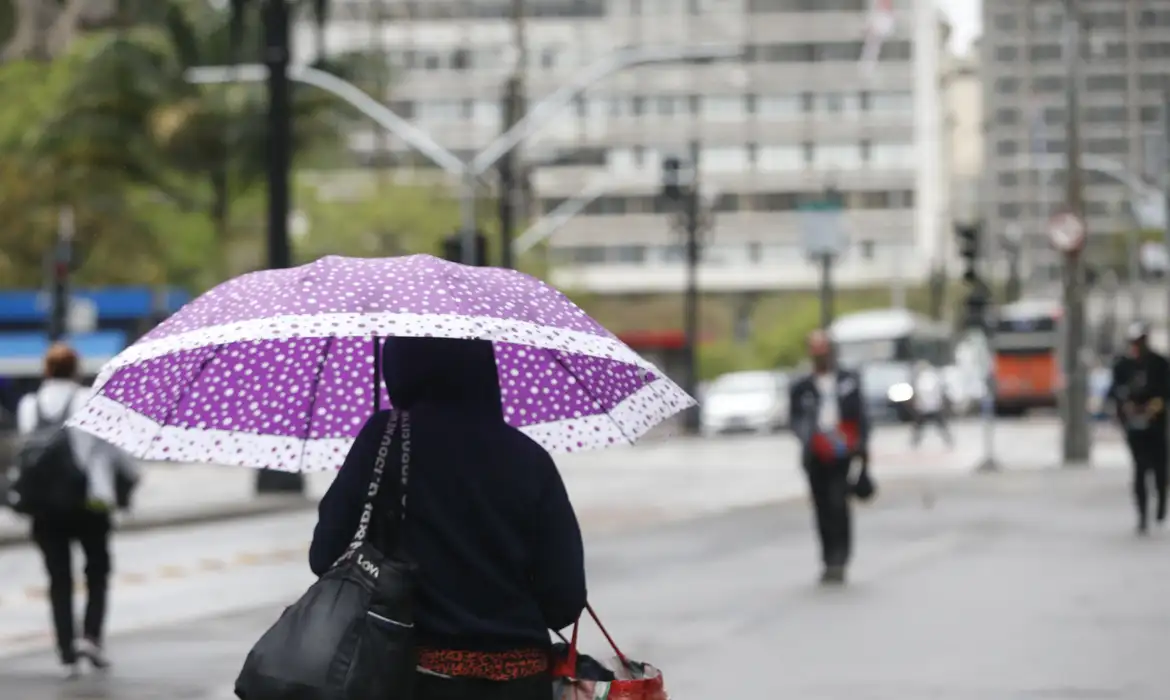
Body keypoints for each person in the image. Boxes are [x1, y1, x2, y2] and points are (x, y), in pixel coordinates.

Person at [309, 336, 587, 700]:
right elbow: (564, 600)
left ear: (400, 367)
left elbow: (325, 555)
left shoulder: (385, 438)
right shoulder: (530, 458)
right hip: (519, 683)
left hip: (410, 678)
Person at [16, 343, 134, 678]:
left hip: (44, 506)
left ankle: (66, 651)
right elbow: (112, 449)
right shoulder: (89, 401)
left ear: (46, 370)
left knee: (58, 578)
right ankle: (91, 638)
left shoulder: (29, 405)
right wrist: (131, 478)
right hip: (89, 502)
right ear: (76, 369)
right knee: (96, 572)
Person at [788, 330, 872, 585]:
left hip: (842, 451)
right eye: (815, 350)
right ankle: (827, 559)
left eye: (824, 349)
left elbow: (862, 416)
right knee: (822, 506)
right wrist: (807, 437)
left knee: (838, 503)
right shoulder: (802, 387)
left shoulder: (848, 381)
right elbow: (794, 419)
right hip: (815, 453)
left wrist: (861, 446)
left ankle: (840, 557)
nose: (820, 355)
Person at [1107, 322, 1170, 535]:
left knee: (1160, 468)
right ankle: (1142, 515)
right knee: (1140, 468)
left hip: (1156, 422)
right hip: (1134, 424)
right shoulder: (1122, 366)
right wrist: (1124, 408)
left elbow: (1165, 390)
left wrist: (1157, 405)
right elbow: (1114, 391)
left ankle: (1161, 502)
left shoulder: (1159, 363)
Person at [910, 361, 953, 448]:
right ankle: (948, 440)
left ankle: (915, 441)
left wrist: (918, 404)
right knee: (940, 425)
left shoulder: (922, 379)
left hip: (925, 407)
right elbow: (939, 392)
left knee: (920, 426)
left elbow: (920, 393)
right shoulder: (932, 377)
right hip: (933, 406)